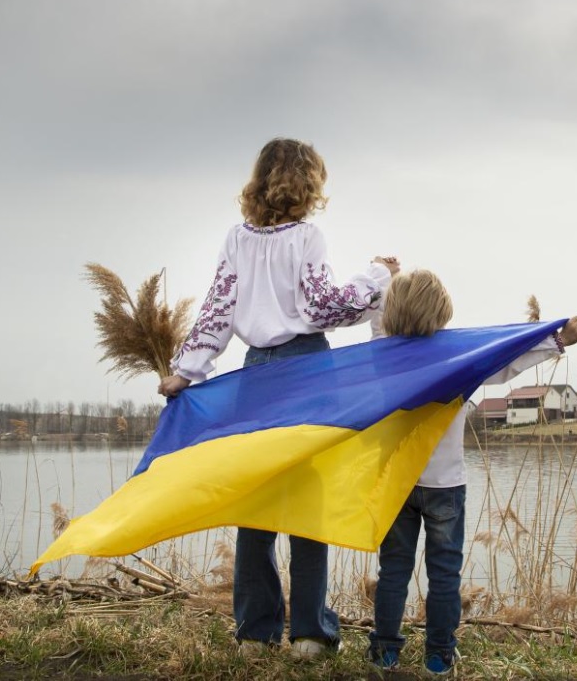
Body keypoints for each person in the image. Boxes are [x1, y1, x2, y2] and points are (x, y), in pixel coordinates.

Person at [158, 137, 400, 658]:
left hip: (256, 374)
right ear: (310, 184)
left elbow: (217, 311)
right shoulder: (308, 238)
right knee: (307, 499)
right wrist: (379, 276)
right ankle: (310, 634)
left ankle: (255, 634)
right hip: (308, 368)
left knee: (258, 497)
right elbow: (322, 308)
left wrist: (185, 371)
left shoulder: (236, 239)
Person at [366, 269, 577, 676]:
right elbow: (508, 362)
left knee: (393, 570)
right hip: (445, 488)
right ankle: (439, 656)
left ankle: (384, 653)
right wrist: (557, 341)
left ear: (392, 311)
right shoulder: (457, 360)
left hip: (398, 483)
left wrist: (386, 278)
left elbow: (380, 323)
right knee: (445, 574)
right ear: (442, 313)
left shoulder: (382, 357)